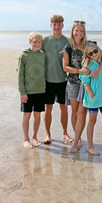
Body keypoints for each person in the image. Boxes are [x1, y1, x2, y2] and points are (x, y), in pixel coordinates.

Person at [64, 21, 102, 153]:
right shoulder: (68, 47)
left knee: (82, 113)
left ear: (84, 33)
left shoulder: (91, 45)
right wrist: (79, 71)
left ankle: (86, 143)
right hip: (73, 83)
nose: (79, 33)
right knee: (74, 112)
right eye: (76, 30)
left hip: (88, 84)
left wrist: (98, 70)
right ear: (72, 31)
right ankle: (77, 139)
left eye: (81, 31)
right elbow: (65, 67)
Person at [41, 15, 73, 144]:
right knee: (48, 108)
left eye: (59, 24)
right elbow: (37, 57)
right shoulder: (44, 41)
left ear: (62, 26)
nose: (57, 27)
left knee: (64, 108)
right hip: (48, 80)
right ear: (51, 26)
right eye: (54, 24)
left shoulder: (68, 41)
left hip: (63, 80)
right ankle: (48, 134)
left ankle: (65, 133)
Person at [18, 32, 46, 149]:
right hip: (28, 91)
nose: (37, 44)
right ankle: (26, 139)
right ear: (30, 42)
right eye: (35, 42)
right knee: (27, 115)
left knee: (37, 115)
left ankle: (34, 137)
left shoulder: (42, 54)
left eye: (39, 42)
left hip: (40, 90)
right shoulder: (24, 55)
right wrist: (22, 91)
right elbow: (20, 74)